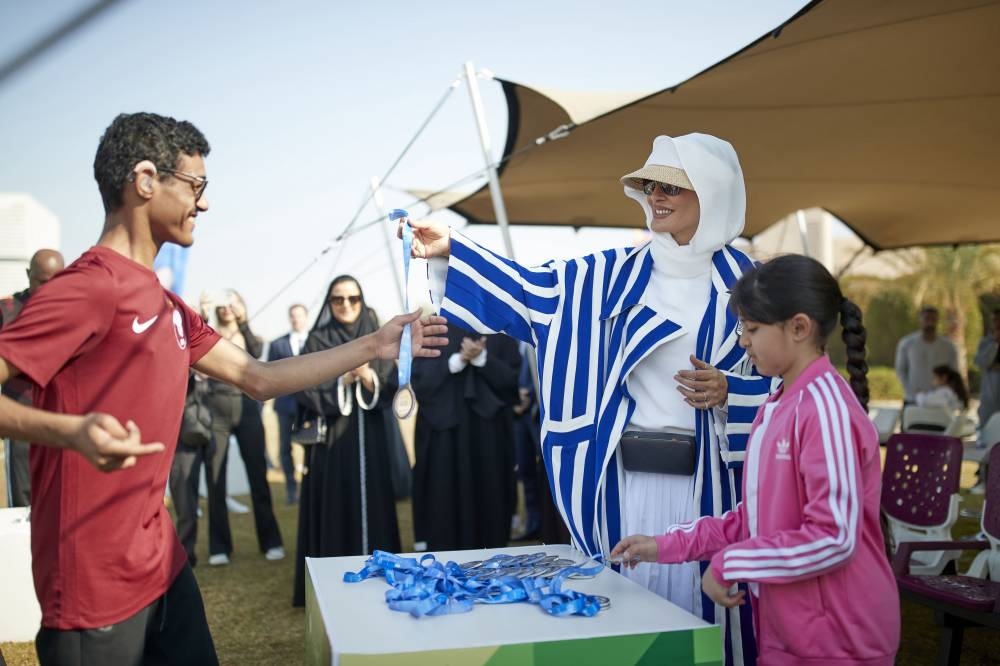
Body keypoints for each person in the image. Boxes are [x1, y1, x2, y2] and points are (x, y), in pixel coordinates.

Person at [0, 112, 446, 665]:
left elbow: (259, 378)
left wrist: (374, 345)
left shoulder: (167, 305)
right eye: (195, 185)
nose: (203, 203)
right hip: (93, 582)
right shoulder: (88, 287)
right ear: (145, 180)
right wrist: (71, 431)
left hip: (161, 565)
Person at [403, 133, 774, 665]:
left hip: (715, 489)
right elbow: (530, 295)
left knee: (711, 620)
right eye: (649, 184)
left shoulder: (754, 286)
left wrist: (730, 392)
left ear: (712, 192)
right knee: (632, 617)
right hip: (626, 486)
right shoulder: (608, 275)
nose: (655, 195)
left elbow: (794, 381)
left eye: (671, 184)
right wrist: (450, 247)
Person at [612, 254, 900, 666]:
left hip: (840, 638)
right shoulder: (779, 404)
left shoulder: (826, 408)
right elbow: (756, 519)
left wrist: (731, 562)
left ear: (799, 328)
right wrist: (665, 545)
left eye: (751, 329)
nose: (744, 342)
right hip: (789, 630)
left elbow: (833, 537)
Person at [291, 276, 406, 607]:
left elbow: (389, 387)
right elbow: (305, 388)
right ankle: (336, 580)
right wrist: (340, 380)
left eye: (353, 299)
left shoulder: (376, 335)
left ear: (362, 300)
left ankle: (378, 574)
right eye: (338, 300)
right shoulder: (317, 339)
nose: (346, 305)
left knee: (374, 501)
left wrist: (368, 377)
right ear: (329, 303)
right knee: (335, 504)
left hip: (370, 439)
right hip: (331, 446)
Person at [410, 324, 521, 550]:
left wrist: (482, 358)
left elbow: (511, 382)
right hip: (445, 437)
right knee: (445, 503)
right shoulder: (435, 330)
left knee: (490, 502)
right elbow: (421, 383)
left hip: (489, 437)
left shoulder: (500, 329)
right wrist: (457, 361)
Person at [199, 288, 284, 566]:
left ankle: (271, 540)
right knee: (215, 479)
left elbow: (258, 354)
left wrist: (243, 321)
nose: (226, 308)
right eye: (222, 305)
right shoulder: (209, 334)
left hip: (246, 409)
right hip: (216, 411)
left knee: (258, 476)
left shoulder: (249, 336)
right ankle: (219, 546)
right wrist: (201, 316)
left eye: (231, 304)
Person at [0, 249, 64, 506]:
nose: (48, 288)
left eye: (55, 281)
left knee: (60, 501)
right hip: (21, 418)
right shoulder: (7, 310)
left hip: (64, 419)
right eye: (41, 281)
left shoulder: (72, 312)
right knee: (23, 505)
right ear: (28, 275)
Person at [268, 302, 310, 504]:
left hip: (310, 404)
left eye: (299, 315)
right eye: (293, 315)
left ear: (305, 317)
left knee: (311, 445)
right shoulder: (277, 344)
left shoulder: (316, 341)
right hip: (285, 405)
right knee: (285, 449)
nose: (296, 319)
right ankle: (291, 490)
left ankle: (310, 487)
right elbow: (270, 373)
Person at [895, 306, 959, 405]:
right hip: (913, 400)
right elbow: (901, 370)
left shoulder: (948, 346)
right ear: (920, 320)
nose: (930, 323)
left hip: (940, 402)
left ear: (937, 321)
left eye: (933, 319)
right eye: (927, 319)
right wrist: (912, 391)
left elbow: (954, 372)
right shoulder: (907, 343)